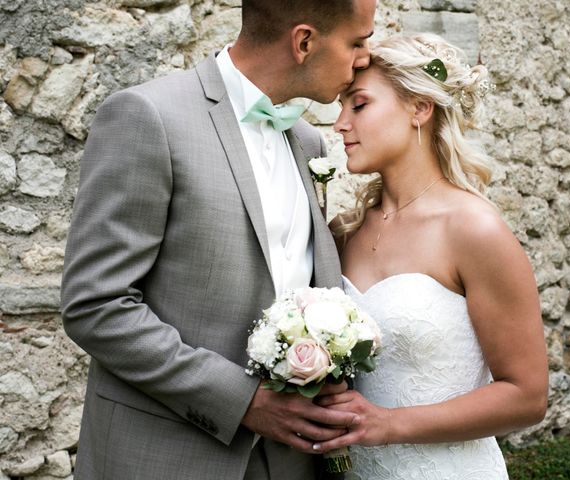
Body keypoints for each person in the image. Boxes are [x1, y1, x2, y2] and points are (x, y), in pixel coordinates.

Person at [60, 1, 376, 479]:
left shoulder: (309, 143)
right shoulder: (150, 116)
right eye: (358, 41)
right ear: (304, 41)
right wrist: (243, 401)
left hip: (290, 462)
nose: (364, 59)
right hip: (167, 456)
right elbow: (96, 305)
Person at [314, 33, 549, 479]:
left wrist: (387, 424)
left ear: (420, 108)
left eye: (358, 105)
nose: (340, 124)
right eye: (341, 108)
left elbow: (527, 396)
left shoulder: (473, 229)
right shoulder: (344, 232)